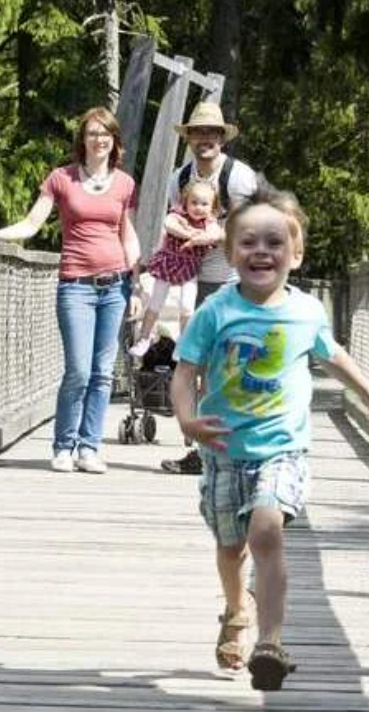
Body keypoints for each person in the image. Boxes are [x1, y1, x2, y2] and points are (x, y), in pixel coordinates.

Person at [169, 188, 369, 691]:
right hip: (225, 452)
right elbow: (185, 374)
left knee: (267, 532)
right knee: (231, 548)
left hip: (282, 448)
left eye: (275, 242)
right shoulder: (216, 311)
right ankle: (235, 610)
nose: (261, 251)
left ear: (295, 255)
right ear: (230, 254)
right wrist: (186, 420)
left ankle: (270, 642)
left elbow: (333, 355)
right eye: (248, 241)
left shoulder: (307, 312)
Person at [0, 107, 140, 474]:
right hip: (76, 285)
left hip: (115, 286)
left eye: (105, 133)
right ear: (83, 139)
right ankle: (64, 445)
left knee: (103, 372)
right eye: (93, 133)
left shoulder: (125, 183)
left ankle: (89, 447)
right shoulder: (61, 178)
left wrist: (137, 283)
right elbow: (33, 224)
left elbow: (127, 234)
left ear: (114, 140)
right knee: (78, 369)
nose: (99, 139)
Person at [160, 101, 258, 476]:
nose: (206, 140)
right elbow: (173, 221)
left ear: (221, 138)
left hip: (232, 280)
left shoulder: (238, 177)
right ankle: (202, 453)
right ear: (190, 139)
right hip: (191, 279)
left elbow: (248, 225)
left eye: (212, 133)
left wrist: (216, 234)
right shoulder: (179, 178)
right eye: (199, 133)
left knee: (229, 367)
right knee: (196, 365)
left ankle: (235, 450)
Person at [127, 179, 222, 359]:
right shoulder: (178, 216)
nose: (198, 207)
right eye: (194, 202)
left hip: (189, 270)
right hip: (168, 266)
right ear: (185, 202)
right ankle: (144, 338)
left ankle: (183, 344)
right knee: (156, 302)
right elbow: (169, 224)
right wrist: (189, 234)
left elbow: (216, 234)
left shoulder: (210, 224)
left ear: (212, 207)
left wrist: (201, 239)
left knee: (187, 307)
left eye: (204, 204)